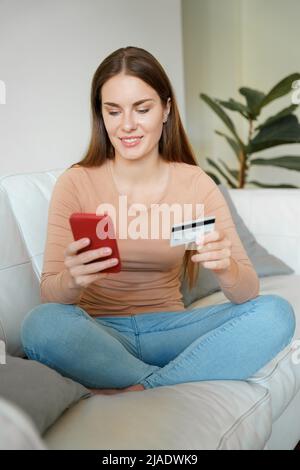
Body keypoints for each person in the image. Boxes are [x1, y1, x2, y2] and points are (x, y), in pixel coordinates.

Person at [21, 46, 296, 395]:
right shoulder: (76, 182)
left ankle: (144, 385)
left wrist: (227, 268)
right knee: (40, 325)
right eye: (114, 111)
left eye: (142, 108)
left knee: (275, 314)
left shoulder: (194, 183)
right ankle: (165, 381)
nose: (128, 125)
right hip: (100, 333)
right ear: (100, 115)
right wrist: (72, 280)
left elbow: (248, 292)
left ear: (166, 109)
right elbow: (50, 294)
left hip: (173, 330)